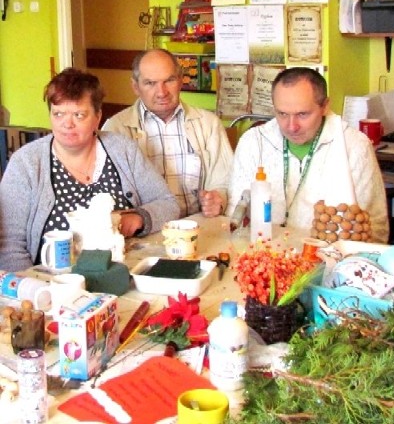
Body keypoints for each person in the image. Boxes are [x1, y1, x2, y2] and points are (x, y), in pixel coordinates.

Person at [0, 68, 179, 271]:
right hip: (53, 285)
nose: (67, 124)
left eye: (79, 115)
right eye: (58, 114)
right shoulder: (26, 164)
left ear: (97, 116)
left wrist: (140, 218)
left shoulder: (122, 149)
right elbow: (9, 248)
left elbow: (168, 203)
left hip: (124, 273)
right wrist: (34, 289)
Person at [227, 67, 389, 243]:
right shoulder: (253, 142)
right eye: (282, 114)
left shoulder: (355, 146)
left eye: (302, 114)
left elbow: (376, 229)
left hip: (328, 259)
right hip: (263, 254)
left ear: (325, 106)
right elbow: (234, 215)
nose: (291, 126)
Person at [102, 49, 233, 218]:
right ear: (135, 86)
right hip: (142, 235)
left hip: (197, 227)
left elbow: (226, 179)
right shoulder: (115, 129)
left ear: (181, 80)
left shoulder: (208, 124)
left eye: (169, 80)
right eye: (150, 83)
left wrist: (218, 198)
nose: (162, 92)